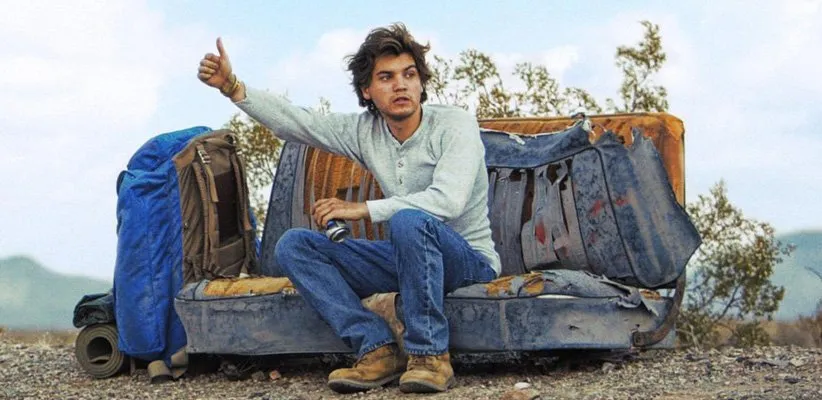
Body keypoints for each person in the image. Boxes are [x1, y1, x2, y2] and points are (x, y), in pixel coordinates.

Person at [197, 23, 501, 394]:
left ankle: (429, 356)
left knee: (408, 221)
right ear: (367, 90)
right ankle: (376, 348)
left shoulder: (455, 124)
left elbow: (447, 201)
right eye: (386, 77)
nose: (401, 85)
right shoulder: (366, 131)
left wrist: (362, 209)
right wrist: (233, 87)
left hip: (467, 261)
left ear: (421, 83)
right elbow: (302, 123)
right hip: (404, 258)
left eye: (409, 75)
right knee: (295, 245)